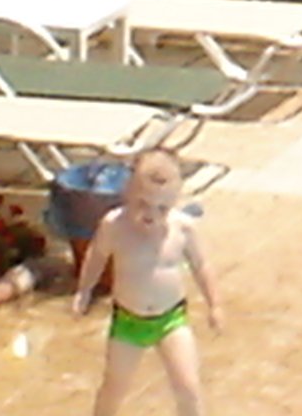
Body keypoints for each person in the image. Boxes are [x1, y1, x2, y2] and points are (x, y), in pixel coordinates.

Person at [74, 149, 222, 416]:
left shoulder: (182, 229)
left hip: (171, 320)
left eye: (162, 208)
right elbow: (96, 256)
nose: (150, 215)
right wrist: (84, 290)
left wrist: (215, 304)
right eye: (142, 204)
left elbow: (202, 266)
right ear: (127, 193)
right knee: (114, 386)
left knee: (188, 387)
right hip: (129, 323)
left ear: (175, 202)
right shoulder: (115, 226)